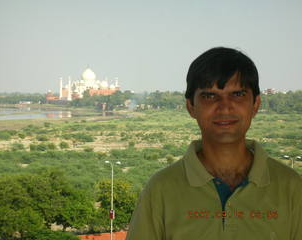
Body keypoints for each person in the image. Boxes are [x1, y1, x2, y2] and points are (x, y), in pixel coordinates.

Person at [126, 47, 302, 240]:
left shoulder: (291, 188)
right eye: (210, 96)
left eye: (237, 95)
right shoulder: (161, 190)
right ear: (191, 106)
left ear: (256, 105)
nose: (224, 107)